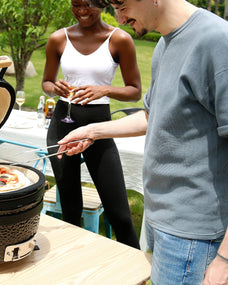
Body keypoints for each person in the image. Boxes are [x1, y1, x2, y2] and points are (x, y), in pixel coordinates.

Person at [57, 0, 228, 284]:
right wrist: (92, 131)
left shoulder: (217, 42)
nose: (120, 19)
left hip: (193, 235)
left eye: (122, 6)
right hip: (159, 218)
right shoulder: (165, 43)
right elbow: (152, 116)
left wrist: (224, 259)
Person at [41, 0, 142, 249]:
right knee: (70, 209)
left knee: (119, 213)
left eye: (88, 4)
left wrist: (105, 89)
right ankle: (76, 269)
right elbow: (46, 82)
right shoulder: (58, 38)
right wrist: (55, 88)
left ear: (101, 4)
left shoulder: (119, 39)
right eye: (76, 5)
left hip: (99, 127)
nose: (82, 10)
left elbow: (135, 91)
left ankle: (139, 274)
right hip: (63, 125)